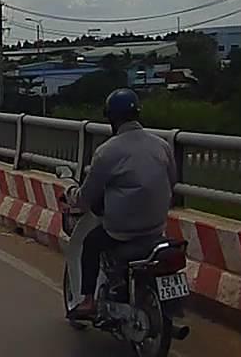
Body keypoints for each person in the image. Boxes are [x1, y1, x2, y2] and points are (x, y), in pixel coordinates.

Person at [67, 88, 178, 318]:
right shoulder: (162, 145)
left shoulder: (107, 152)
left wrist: (72, 196)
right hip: (156, 228)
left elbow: (88, 195)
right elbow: (172, 181)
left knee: (90, 244)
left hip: (121, 231)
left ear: (111, 119)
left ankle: (88, 301)